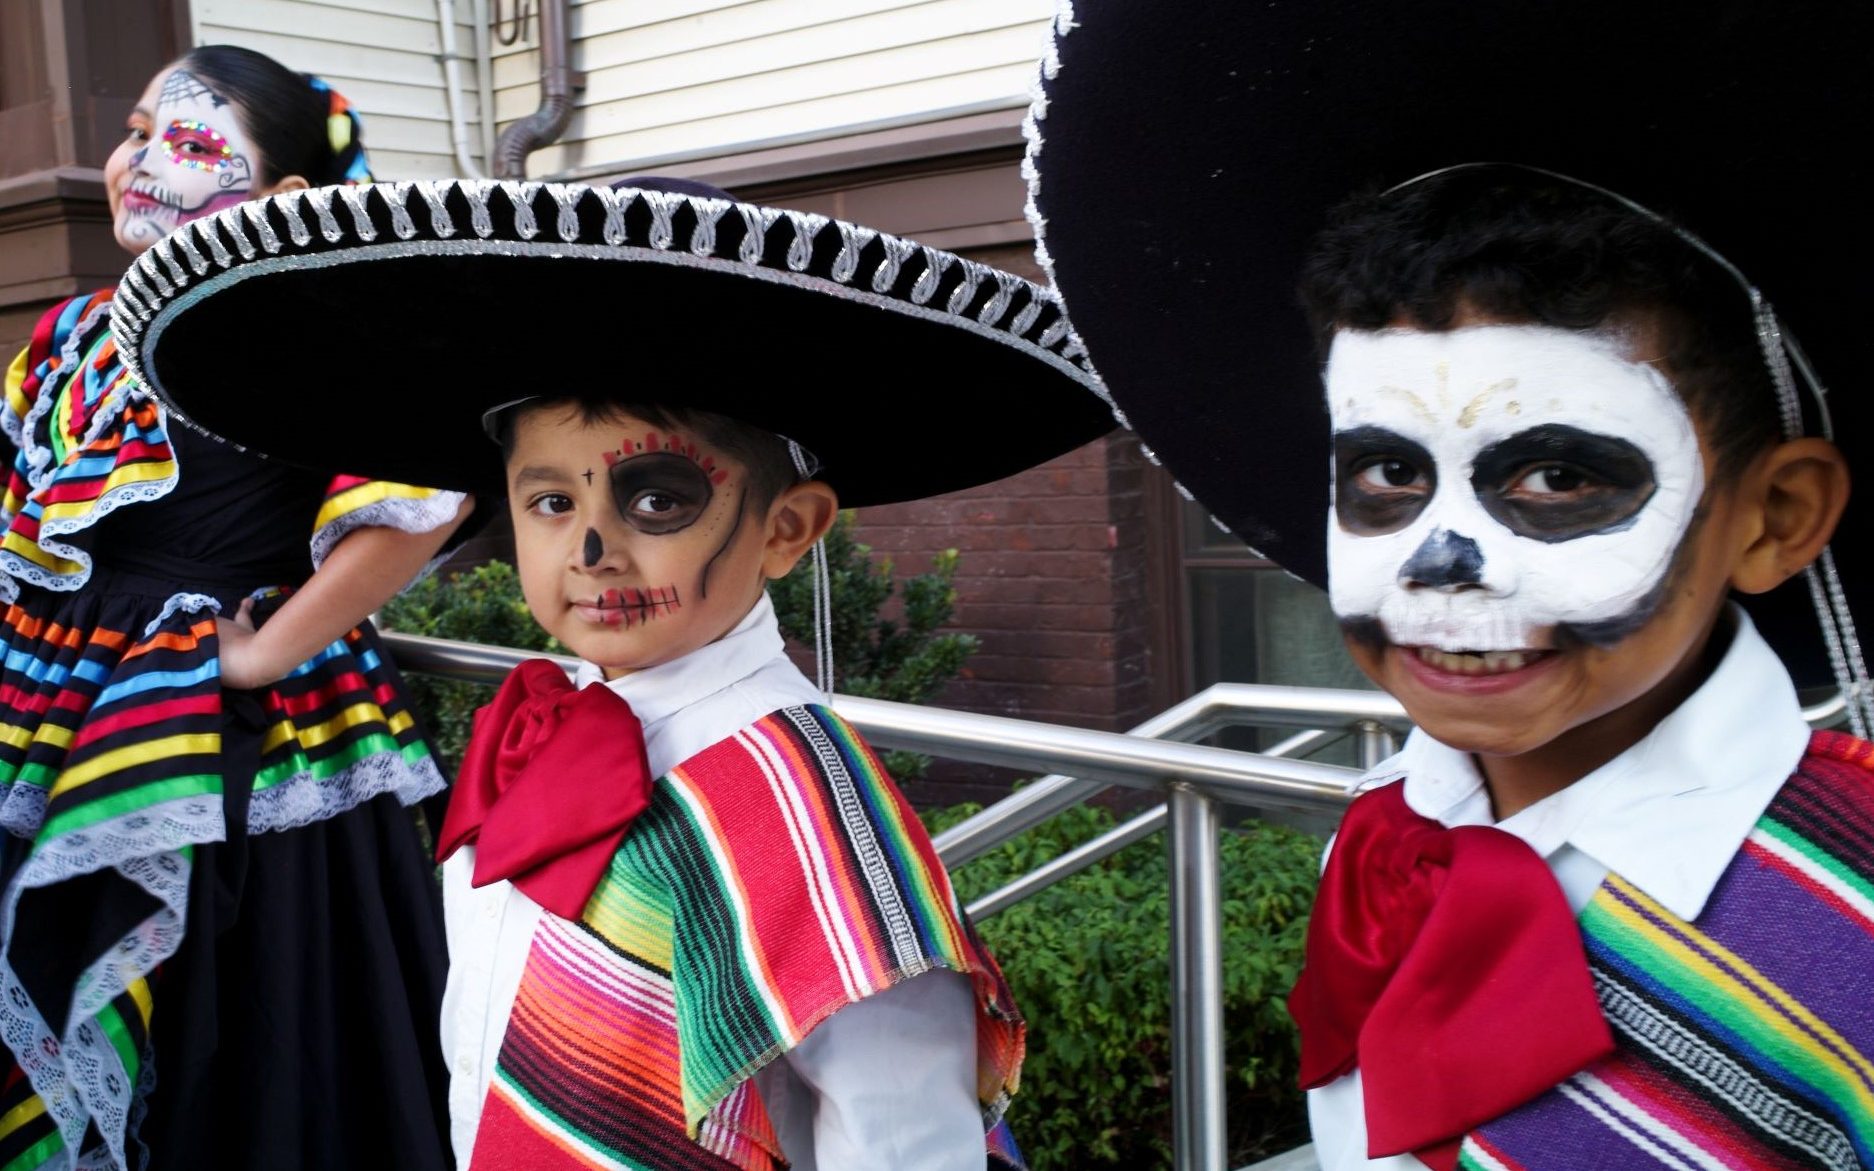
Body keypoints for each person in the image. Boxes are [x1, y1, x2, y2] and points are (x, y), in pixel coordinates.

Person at [109, 174, 1115, 1169]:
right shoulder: (548, 730)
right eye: (550, 503)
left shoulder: (801, 829)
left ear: (786, 529)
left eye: (657, 500)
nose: (590, 553)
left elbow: (908, 1147)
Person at [1025, 1, 1871, 1169]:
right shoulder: (1382, 836)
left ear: (1771, 518)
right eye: (1383, 472)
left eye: (1556, 474)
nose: (1438, 562)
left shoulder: (1855, 914)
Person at [1, 45, 470, 1171]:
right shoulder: (69, 332)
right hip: (57, 702)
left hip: (229, 740)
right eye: (136, 132)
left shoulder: (307, 325)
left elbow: (420, 504)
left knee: (239, 1030)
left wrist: (265, 654)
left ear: (286, 201)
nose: (143, 164)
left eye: (196, 145)